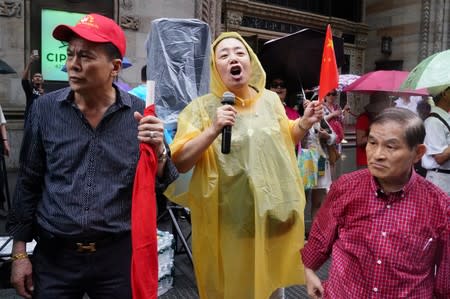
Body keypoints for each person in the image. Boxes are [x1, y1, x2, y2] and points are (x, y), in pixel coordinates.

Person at [6, 13, 178, 299]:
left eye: (85, 56)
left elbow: (164, 182)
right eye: (70, 53)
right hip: (55, 258)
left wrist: (158, 150)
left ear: (114, 67)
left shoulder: (140, 115)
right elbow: (28, 181)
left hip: (117, 258)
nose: (72, 64)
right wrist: (19, 255)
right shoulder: (44, 110)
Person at [167, 32, 323, 299]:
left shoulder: (271, 101)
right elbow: (180, 162)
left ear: (251, 63)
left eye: (240, 53)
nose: (233, 59)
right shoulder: (201, 110)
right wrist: (213, 129)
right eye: (224, 55)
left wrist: (304, 123)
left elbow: (284, 137)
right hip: (229, 223)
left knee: (273, 287)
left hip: (273, 217)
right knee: (234, 288)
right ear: (215, 68)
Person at [301, 107, 450, 299]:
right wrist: (308, 270)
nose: (377, 154)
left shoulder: (440, 207)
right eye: (372, 142)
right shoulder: (346, 187)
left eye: (391, 147)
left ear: (418, 153)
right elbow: (320, 238)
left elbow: (445, 280)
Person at [422, 86, 450, 195]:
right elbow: (440, 157)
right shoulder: (433, 121)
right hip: (440, 180)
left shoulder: (445, 118)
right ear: (444, 94)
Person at [355, 92, 391, 168]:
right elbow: (360, 141)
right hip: (365, 161)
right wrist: (377, 134)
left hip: (379, 159)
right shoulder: (364, 118)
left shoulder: (381, 119)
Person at [21, 52, 44, 124]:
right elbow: (24, 79)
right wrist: (30, 63)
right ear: (32, 80)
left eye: (39, 76)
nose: (38, 78)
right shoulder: (30, 90)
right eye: (36, 76)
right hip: (30, 120)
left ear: (42, 80)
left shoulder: (46, 93)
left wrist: (43, 95)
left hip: (42, 121)